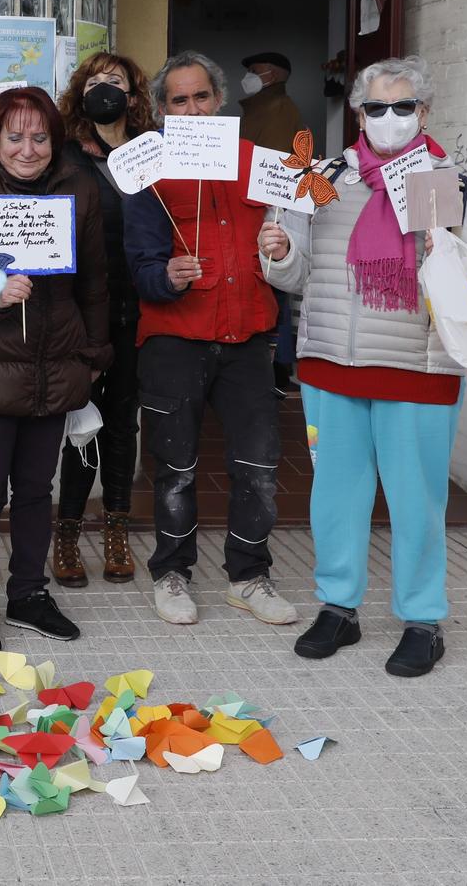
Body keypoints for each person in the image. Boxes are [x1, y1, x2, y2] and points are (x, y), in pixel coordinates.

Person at [260, 55, 467, 678]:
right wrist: (278, 251)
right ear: (357, 113)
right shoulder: (325, 178)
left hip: (418, 370)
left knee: (417, 498)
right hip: (332, 365)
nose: (387, 119)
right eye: (375, 107)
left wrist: (443, 251)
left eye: (402, 107)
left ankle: (422, 618)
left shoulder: (450, 181)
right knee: (335, 498)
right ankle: (338, 607)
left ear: (423, 112)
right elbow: (294, 275)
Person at [124, 53, 297, 631]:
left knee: (259, 466)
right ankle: (172, 573)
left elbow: (297, 246)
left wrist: (283, 248)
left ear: (218, 101)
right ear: (161, 111)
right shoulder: (148, 169)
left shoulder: (263, 165)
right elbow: (139, 264)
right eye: (179, 100)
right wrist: (164, 278)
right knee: (175, 467)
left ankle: (249, 576)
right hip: (175, 338)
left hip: (249, 336)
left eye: (201, 97)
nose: (192, 108)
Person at [0, 87, 109, 654]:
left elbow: (96, 287)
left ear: (55, 140)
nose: (28, 149)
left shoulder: (79, 192)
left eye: (39, 137)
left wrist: (93, 357)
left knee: (37, 491)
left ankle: (29, 593)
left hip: (54, 369)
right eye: (15, 137)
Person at [51, 53, 150, 586]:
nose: (106, 90)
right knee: (79, 422)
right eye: (95, 82)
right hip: (80, 313)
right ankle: (67, 530)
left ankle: (116, 526)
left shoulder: (153, 155)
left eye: (117, 82)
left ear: (134, 96)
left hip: (138, 310)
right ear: (80, 92)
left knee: (121, 421)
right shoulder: (65, 155)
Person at [239, 51, 308, 397]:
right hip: (259, 201)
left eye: (255, 71)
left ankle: (278, 364)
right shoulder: (259, 106)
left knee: (274, 283)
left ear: (275, 75)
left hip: (270, 205)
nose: (248, 76)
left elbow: (276, 164)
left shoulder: (278, 110)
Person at [236, 51, 307, 153]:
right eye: (248, 71)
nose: (247, 76)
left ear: (272, 76)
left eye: (254, 71)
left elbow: (271, 160)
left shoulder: (280, 109)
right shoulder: (262, 107)